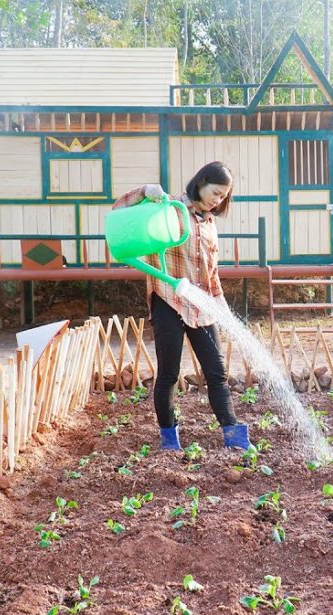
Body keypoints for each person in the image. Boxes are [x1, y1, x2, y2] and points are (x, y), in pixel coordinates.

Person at [111, 161, 251, 452]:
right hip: (168, 300)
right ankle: (169, 438)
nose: (218, 200)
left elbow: (211, 274)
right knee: (169, 374)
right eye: (215, 192)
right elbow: (119, 211)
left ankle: (232, 434)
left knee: (216, 372)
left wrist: (222, 309)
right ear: (201, 183)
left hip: (201, 306)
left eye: (223, 197)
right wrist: (144, 191)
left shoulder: (210, 225)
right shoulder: (168, 208)